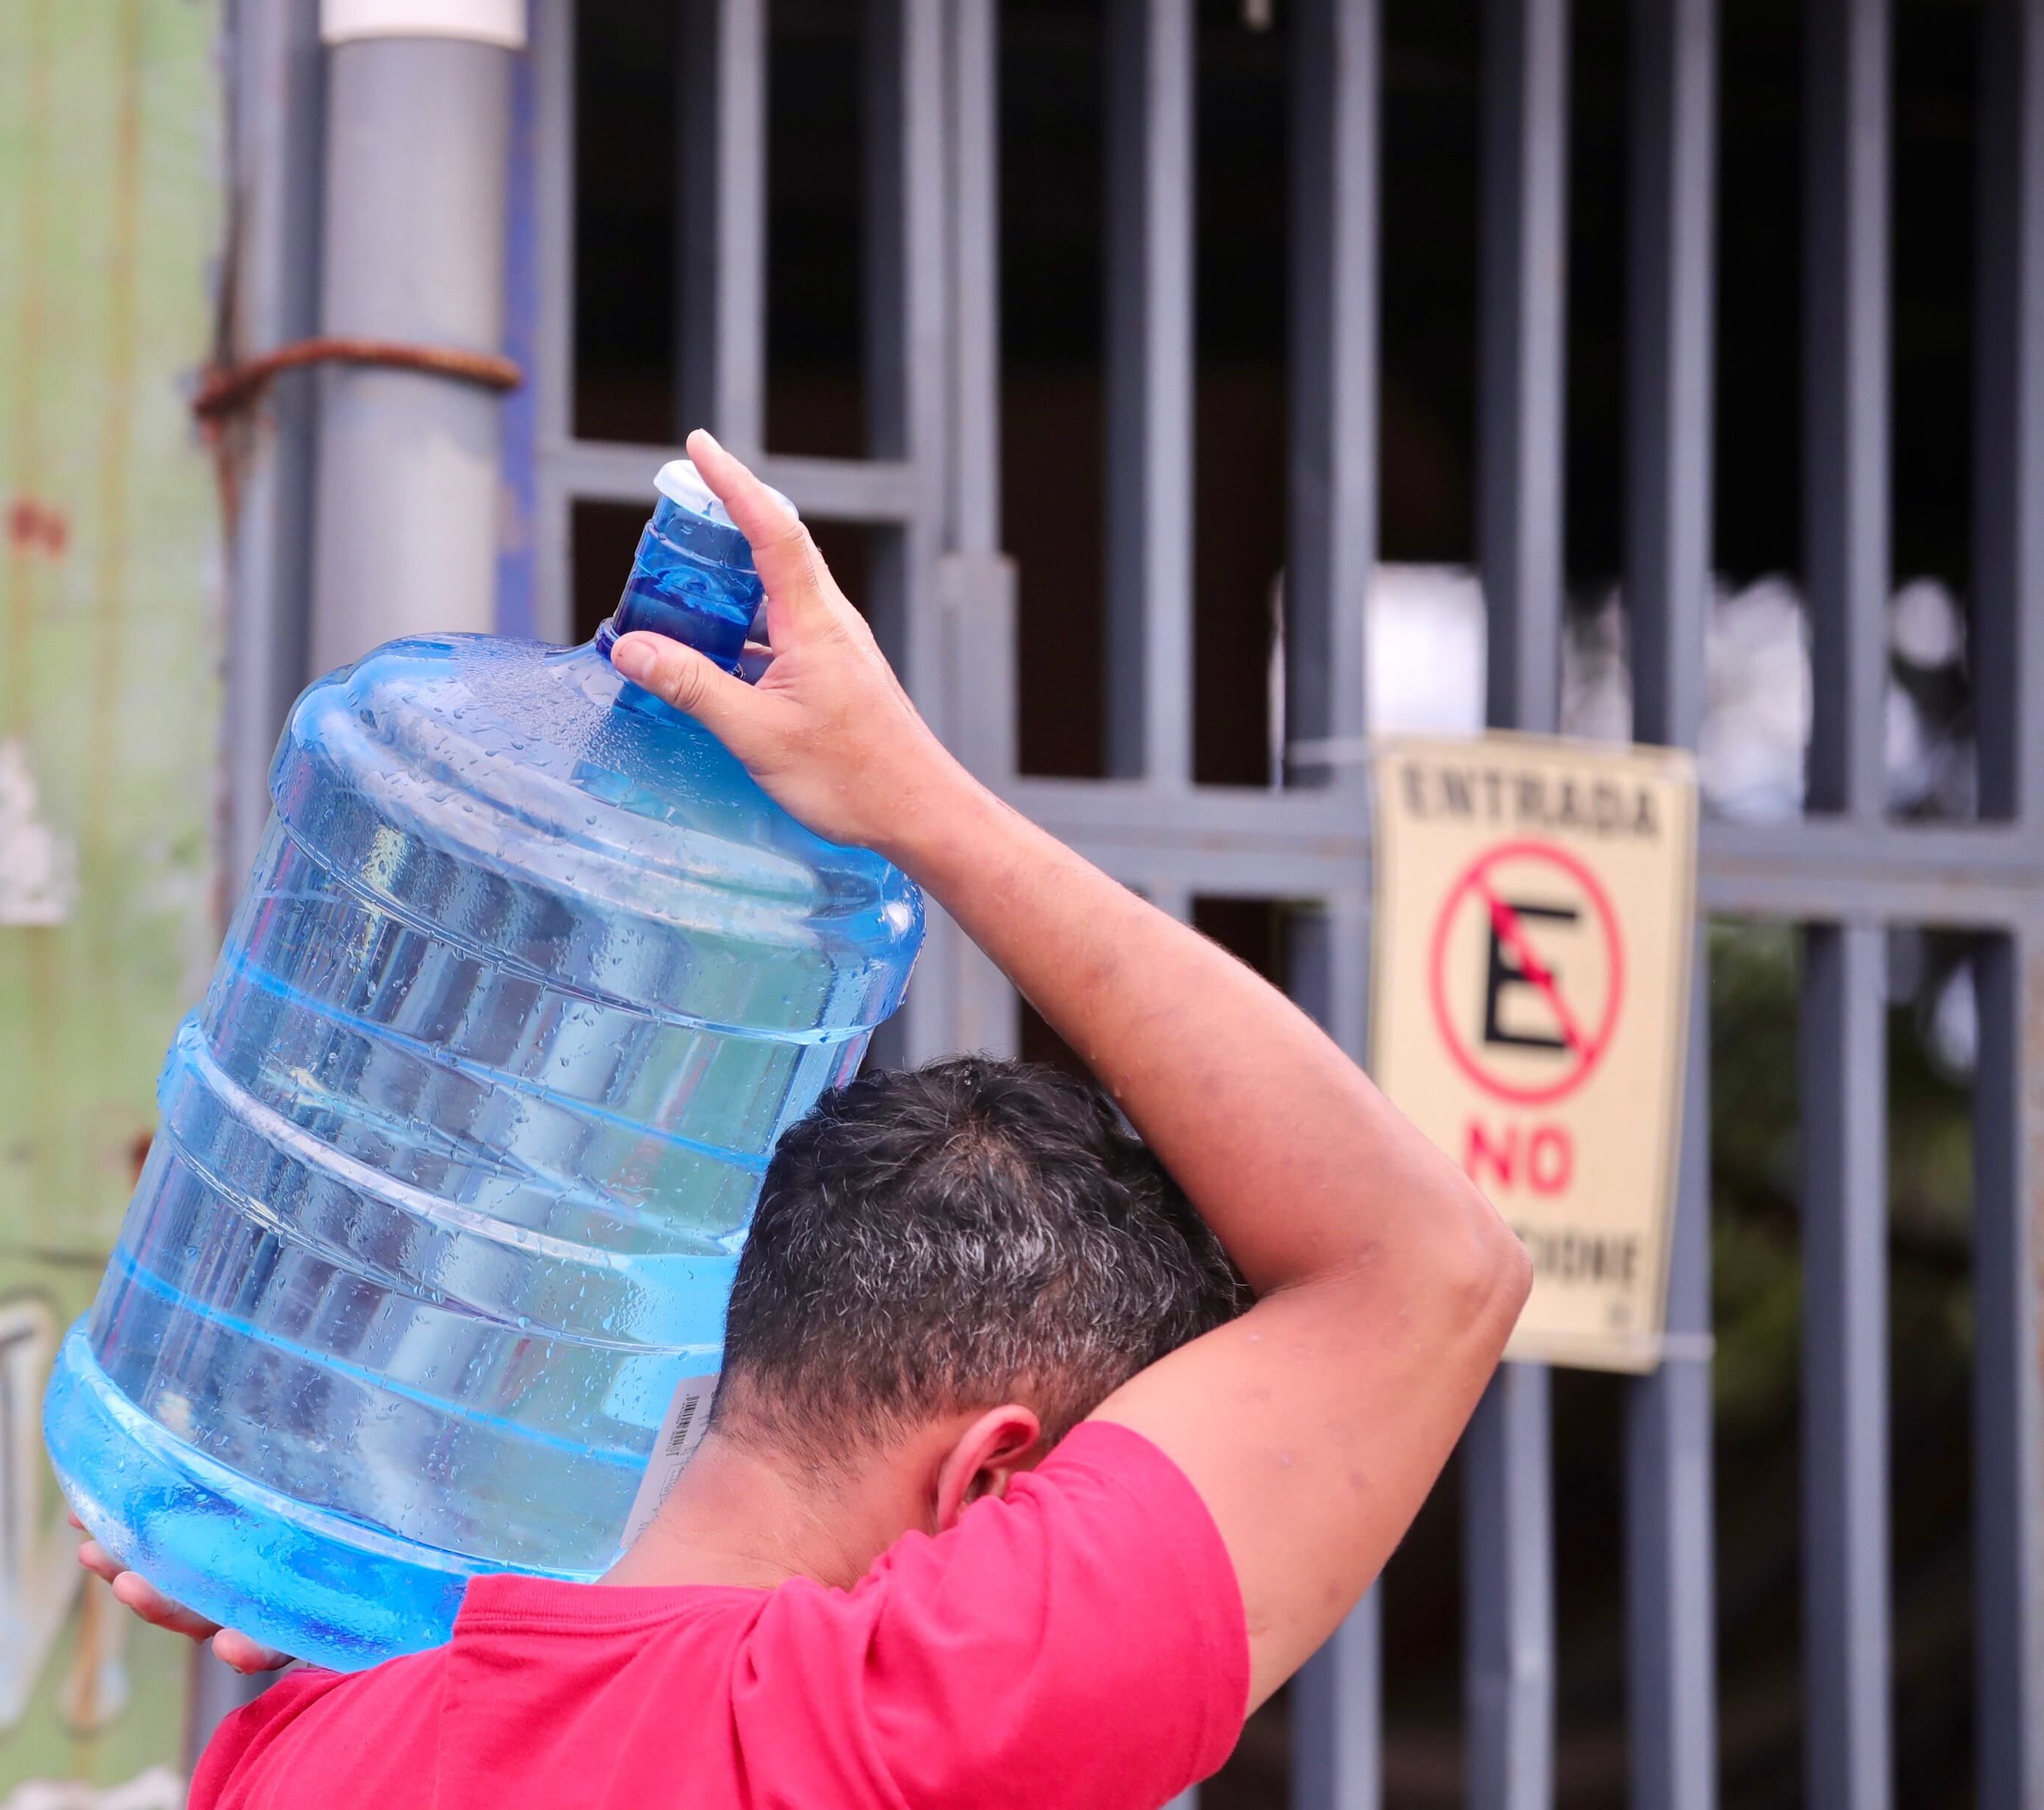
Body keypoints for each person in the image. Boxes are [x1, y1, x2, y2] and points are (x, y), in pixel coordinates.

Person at [79, 430, 1533, 1809]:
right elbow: (1426, 1267)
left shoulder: (317, 1738)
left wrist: (341, 1563)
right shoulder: (895, 1728)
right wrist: (914, 799)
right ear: (991, 1478)